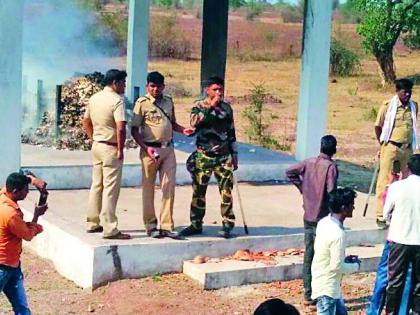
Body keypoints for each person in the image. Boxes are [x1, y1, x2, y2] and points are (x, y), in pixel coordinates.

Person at [131, 71, 194, 239]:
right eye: (152, 86)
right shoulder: (142, 103)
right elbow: (134, 130)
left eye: (159, 86)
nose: (155, 89)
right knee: (148, 189)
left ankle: (166, 226)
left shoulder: (168, 101)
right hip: (149, 150)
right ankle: (151, 226)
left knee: (168, 187)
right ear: (147, 86)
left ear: (163, 87)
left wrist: (183, 130)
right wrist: (145, 148)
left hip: (168, 150)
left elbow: (171, 123)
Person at [180, 76, 238, 239]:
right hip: (204, 154)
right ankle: (196, 224)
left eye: (220, 89)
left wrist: (234, 154)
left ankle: (227, 224)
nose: (219, 93)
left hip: (223, 155)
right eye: (215, 90)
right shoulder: (199, 106)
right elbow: (194, 123)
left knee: (226, 191)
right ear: (207, 90)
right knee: (199, 190)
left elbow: (231, 131)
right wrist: (210, 106)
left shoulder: (226, 108)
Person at [285, 135, 339, 306]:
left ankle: (308, 294)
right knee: (323, 257)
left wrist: (303, 188)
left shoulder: (308, 162)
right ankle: (319, 293)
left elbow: (290, 172)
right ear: (334, 149)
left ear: (321, 147)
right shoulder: (330, 167)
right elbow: (331, 192)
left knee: (309, 255)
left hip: (308, 215)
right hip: (323, 219)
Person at [82, 69, 130, 240]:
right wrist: (120, 148)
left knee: (97, 185)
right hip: (110, 147)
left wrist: (92, 138)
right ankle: (110, 228)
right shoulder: (117, 100)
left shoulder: (94, 98)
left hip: (97, 146)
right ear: (115, 83)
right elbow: (121, 127)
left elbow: (85, 121)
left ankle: (92, 222)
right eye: (123, 82)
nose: (125, 85)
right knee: (110, 189)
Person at [366, 161, 412, 315]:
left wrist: (390, 185)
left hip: (395, 241)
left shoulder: (396, 189)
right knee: (407, 279)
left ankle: (374, 311)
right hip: (415, 242)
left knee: (384, 276)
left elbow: (386, 214)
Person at [0, 172, 48, 314]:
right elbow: (27, 235)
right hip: (4, 267)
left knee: (22, 309)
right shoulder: (10, 214)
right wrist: (36, 216)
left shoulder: (3, 195)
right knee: (21, 308)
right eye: (25, 190)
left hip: (12, 266)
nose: (27, 192)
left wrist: (32, 180)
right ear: (15, 191)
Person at [374, 78, 418, 228]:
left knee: (405, 182)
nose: (407, 94)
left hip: (407, 149)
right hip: (391, 146)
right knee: (385, 180)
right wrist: (383, 144)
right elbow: (378, 126)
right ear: (397, 91)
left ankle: (398, 213)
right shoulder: (388, 106)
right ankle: (380, 215)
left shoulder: (414, 106)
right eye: (404, 91)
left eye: (409, 91)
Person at [311, 188, 360, 315]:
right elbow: (336, 266)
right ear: (344, 208)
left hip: (324, 283)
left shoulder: (324, 222)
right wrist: (355, 266)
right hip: (328, 289)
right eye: (351, 205)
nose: (353, 208)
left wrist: (345, 260)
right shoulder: (338, 234)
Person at [383, 154, 420, 314]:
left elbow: (386, 214)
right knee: (419, 283)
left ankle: (391, 312)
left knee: (395, 282)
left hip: (400, 239)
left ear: (408, 169)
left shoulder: (397, 187)